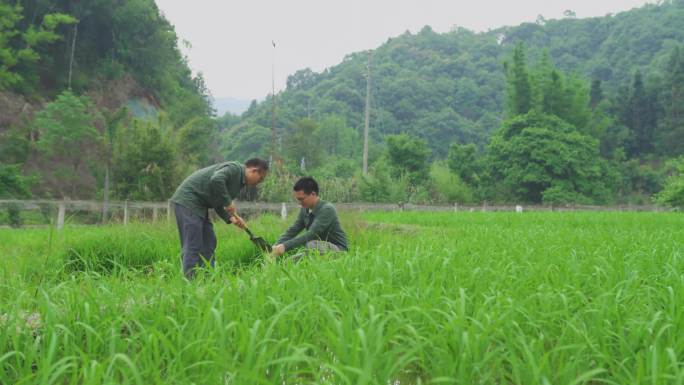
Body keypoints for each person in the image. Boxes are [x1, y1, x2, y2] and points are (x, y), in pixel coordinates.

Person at [171, 158, 269, 278]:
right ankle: (190, 282)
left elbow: (217, 202)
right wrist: (228, 202)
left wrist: (231, 218)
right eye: (261, 178)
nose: (259, 182)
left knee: (209, 241)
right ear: (254, 171)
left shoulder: (239, 183)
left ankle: (207, 278)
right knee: (193, 244)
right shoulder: (235, 169)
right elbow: (216, 179)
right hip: (188, 201)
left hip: (200, 206)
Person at [272, 176, 348, 258]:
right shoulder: (304, 209)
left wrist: (284, 246)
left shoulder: (327, 209)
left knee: (311, 245)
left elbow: (311, 234)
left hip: (338, 250)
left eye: (302, 199)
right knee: (289, 261)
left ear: (313, 194)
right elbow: (293, 230)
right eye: (298, 199)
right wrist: (276, 246)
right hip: (318, 248)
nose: (300, 203)